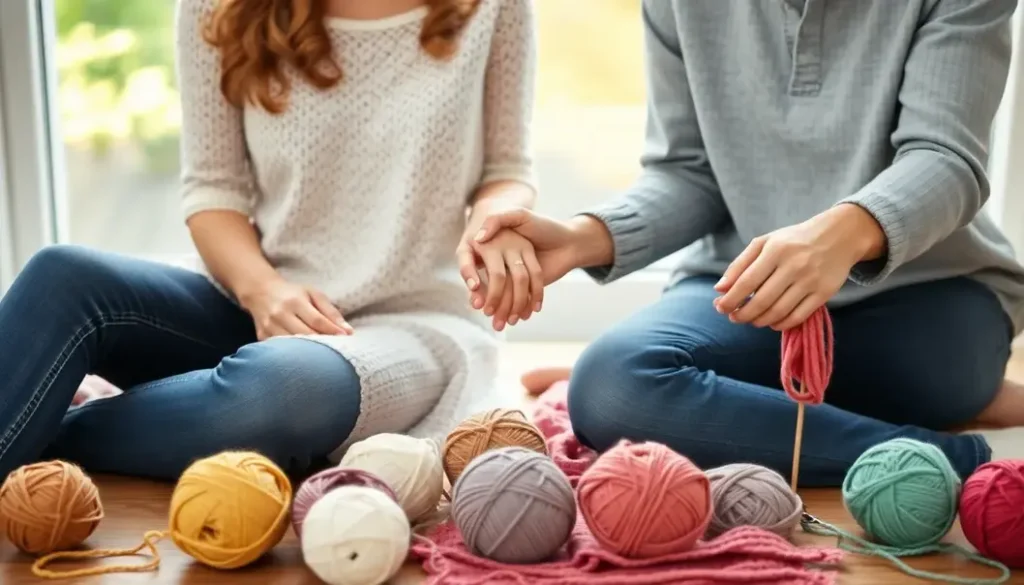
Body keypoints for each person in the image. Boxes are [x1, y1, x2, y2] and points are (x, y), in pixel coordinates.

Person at [465, 0, 1024, 487]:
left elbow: (946, 159)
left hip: (927, 292)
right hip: (742, 288)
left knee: (948, 378)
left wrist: (841, 235)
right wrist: (582, 237)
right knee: (611, 387)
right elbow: (690, 172)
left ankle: (736, 401)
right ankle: (964, 458)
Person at [0, 0, 539, 482]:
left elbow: (507, 168)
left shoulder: (493, 7)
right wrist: (263, 290)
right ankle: (114, 419)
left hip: (410, 325)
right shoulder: (219, 8)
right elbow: (215, 190)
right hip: (255, 296)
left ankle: (56, 426)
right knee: (63, 277)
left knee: (283, 388)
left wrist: (493, 221)